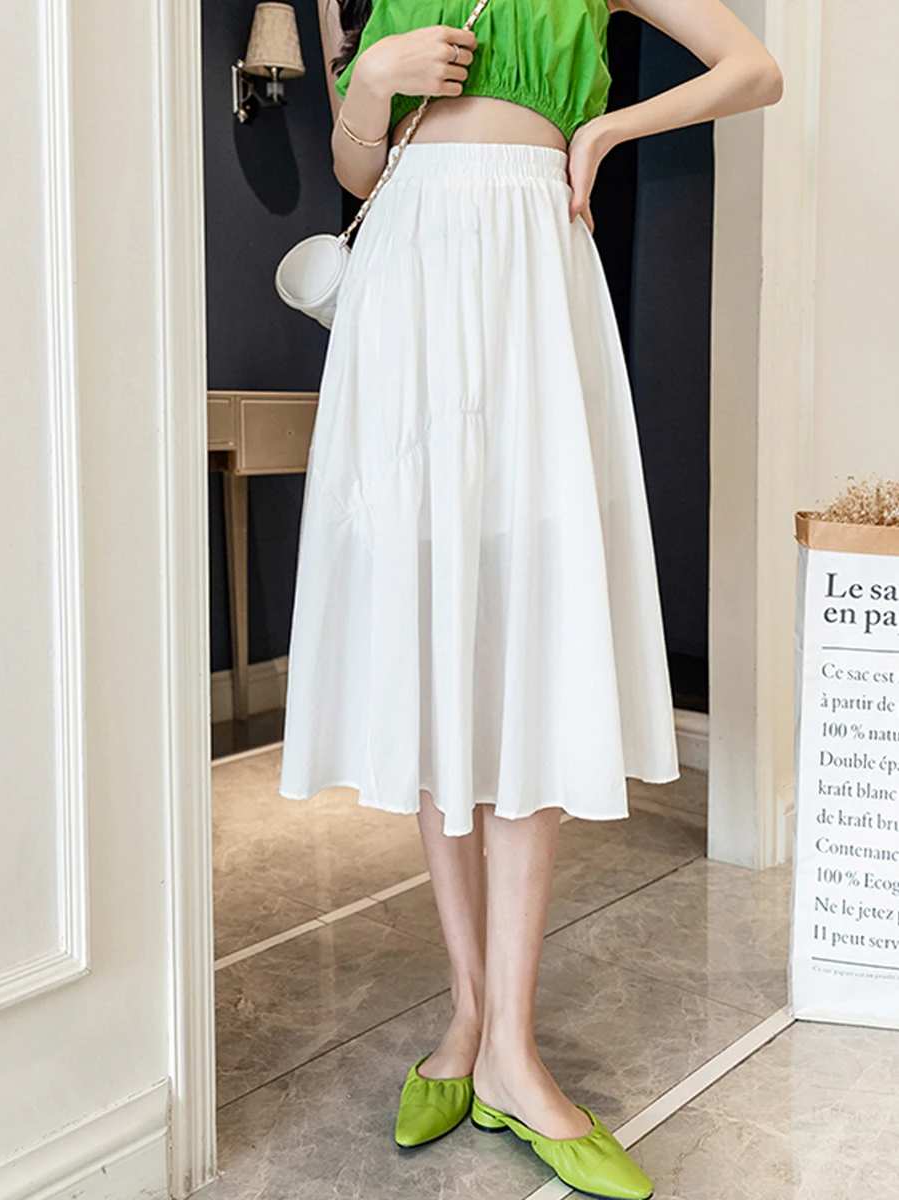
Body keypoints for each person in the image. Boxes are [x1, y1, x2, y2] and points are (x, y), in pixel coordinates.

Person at [280, 2, 782, 1195]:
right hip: (408, 273)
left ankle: (509, 1039)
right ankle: (472, 1020)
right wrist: (372, 82)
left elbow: (754, 68)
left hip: (531, 265)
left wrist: (605, 131)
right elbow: (357, 171)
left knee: (525, 632)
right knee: (438, 640)